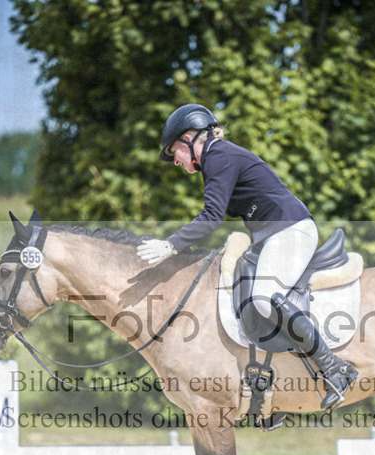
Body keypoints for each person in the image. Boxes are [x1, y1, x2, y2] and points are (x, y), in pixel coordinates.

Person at [138, 103, 357, 409]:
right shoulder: (219, 157)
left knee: (264, 299)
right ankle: (268, 386)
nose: (174, 160)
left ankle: (335, 369)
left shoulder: (219, 155)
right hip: (272, 235)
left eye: (174, 150)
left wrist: (171, 245)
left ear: (189, 138)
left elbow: (212, 215)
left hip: (289, 230)